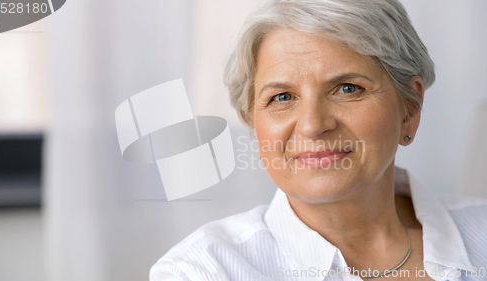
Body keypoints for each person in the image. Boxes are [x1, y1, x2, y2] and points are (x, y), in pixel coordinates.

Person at [150, 0, 487, 280]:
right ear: (253, 122)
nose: (312, 125)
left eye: (348, 88)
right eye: (282, 97)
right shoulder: (202, 270)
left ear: (409, 109)